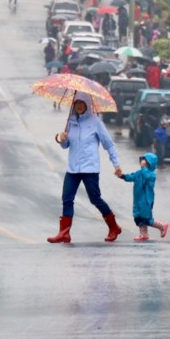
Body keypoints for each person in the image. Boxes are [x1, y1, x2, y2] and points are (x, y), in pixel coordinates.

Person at [47, 93, 124, 244]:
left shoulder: (95, 122)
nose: (79, 106)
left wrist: (116, 165)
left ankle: (114, 227)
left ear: (87, 104)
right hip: (73, 168)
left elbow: (108, 144)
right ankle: (64, 233)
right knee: (67, 198)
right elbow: (66, 145)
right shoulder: (71, 121)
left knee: (95, 199)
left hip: (90, 168)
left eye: (82, 103)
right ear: (73, 105)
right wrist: (62, 140)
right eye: (76, 103)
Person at [119, 153, 168, 241]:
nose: (142, 162)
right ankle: (143, 234)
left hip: (146, 199)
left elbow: (146, 176)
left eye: (145, 160)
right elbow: (131, 177)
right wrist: (122, 176)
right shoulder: (139, 172)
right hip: (137, 199)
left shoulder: (151, 174)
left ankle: (162, 225)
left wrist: (144, 168)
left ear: (149, 163)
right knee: (138, 217)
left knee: (145, 217)